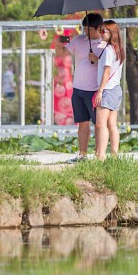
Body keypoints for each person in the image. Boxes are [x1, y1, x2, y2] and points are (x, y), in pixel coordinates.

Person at [54, 12, 105, 162]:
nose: (86, 32)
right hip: (78, 90)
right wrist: (60, 39)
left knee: (98, 124)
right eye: (84, 29)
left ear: (98, 28)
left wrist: (96, 60)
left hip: (94, 90)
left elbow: (110, 66)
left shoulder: (103, 44)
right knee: (82, 124)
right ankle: (82, 154)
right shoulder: (79, 39)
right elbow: (63, 49)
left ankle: (99, 155)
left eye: (89, 29)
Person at [94, 20, 125, 161]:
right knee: (112, 124)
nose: (100, 33)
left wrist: (100, 91)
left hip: (107, 89)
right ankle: (114, 155)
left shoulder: (107, 49)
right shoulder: (118, 49)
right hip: (116, 89)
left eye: (103, 31)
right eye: (100, 30)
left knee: (101, 124)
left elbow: (107, 71)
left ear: (111, 32)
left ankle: (100, 156)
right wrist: (96, 59)